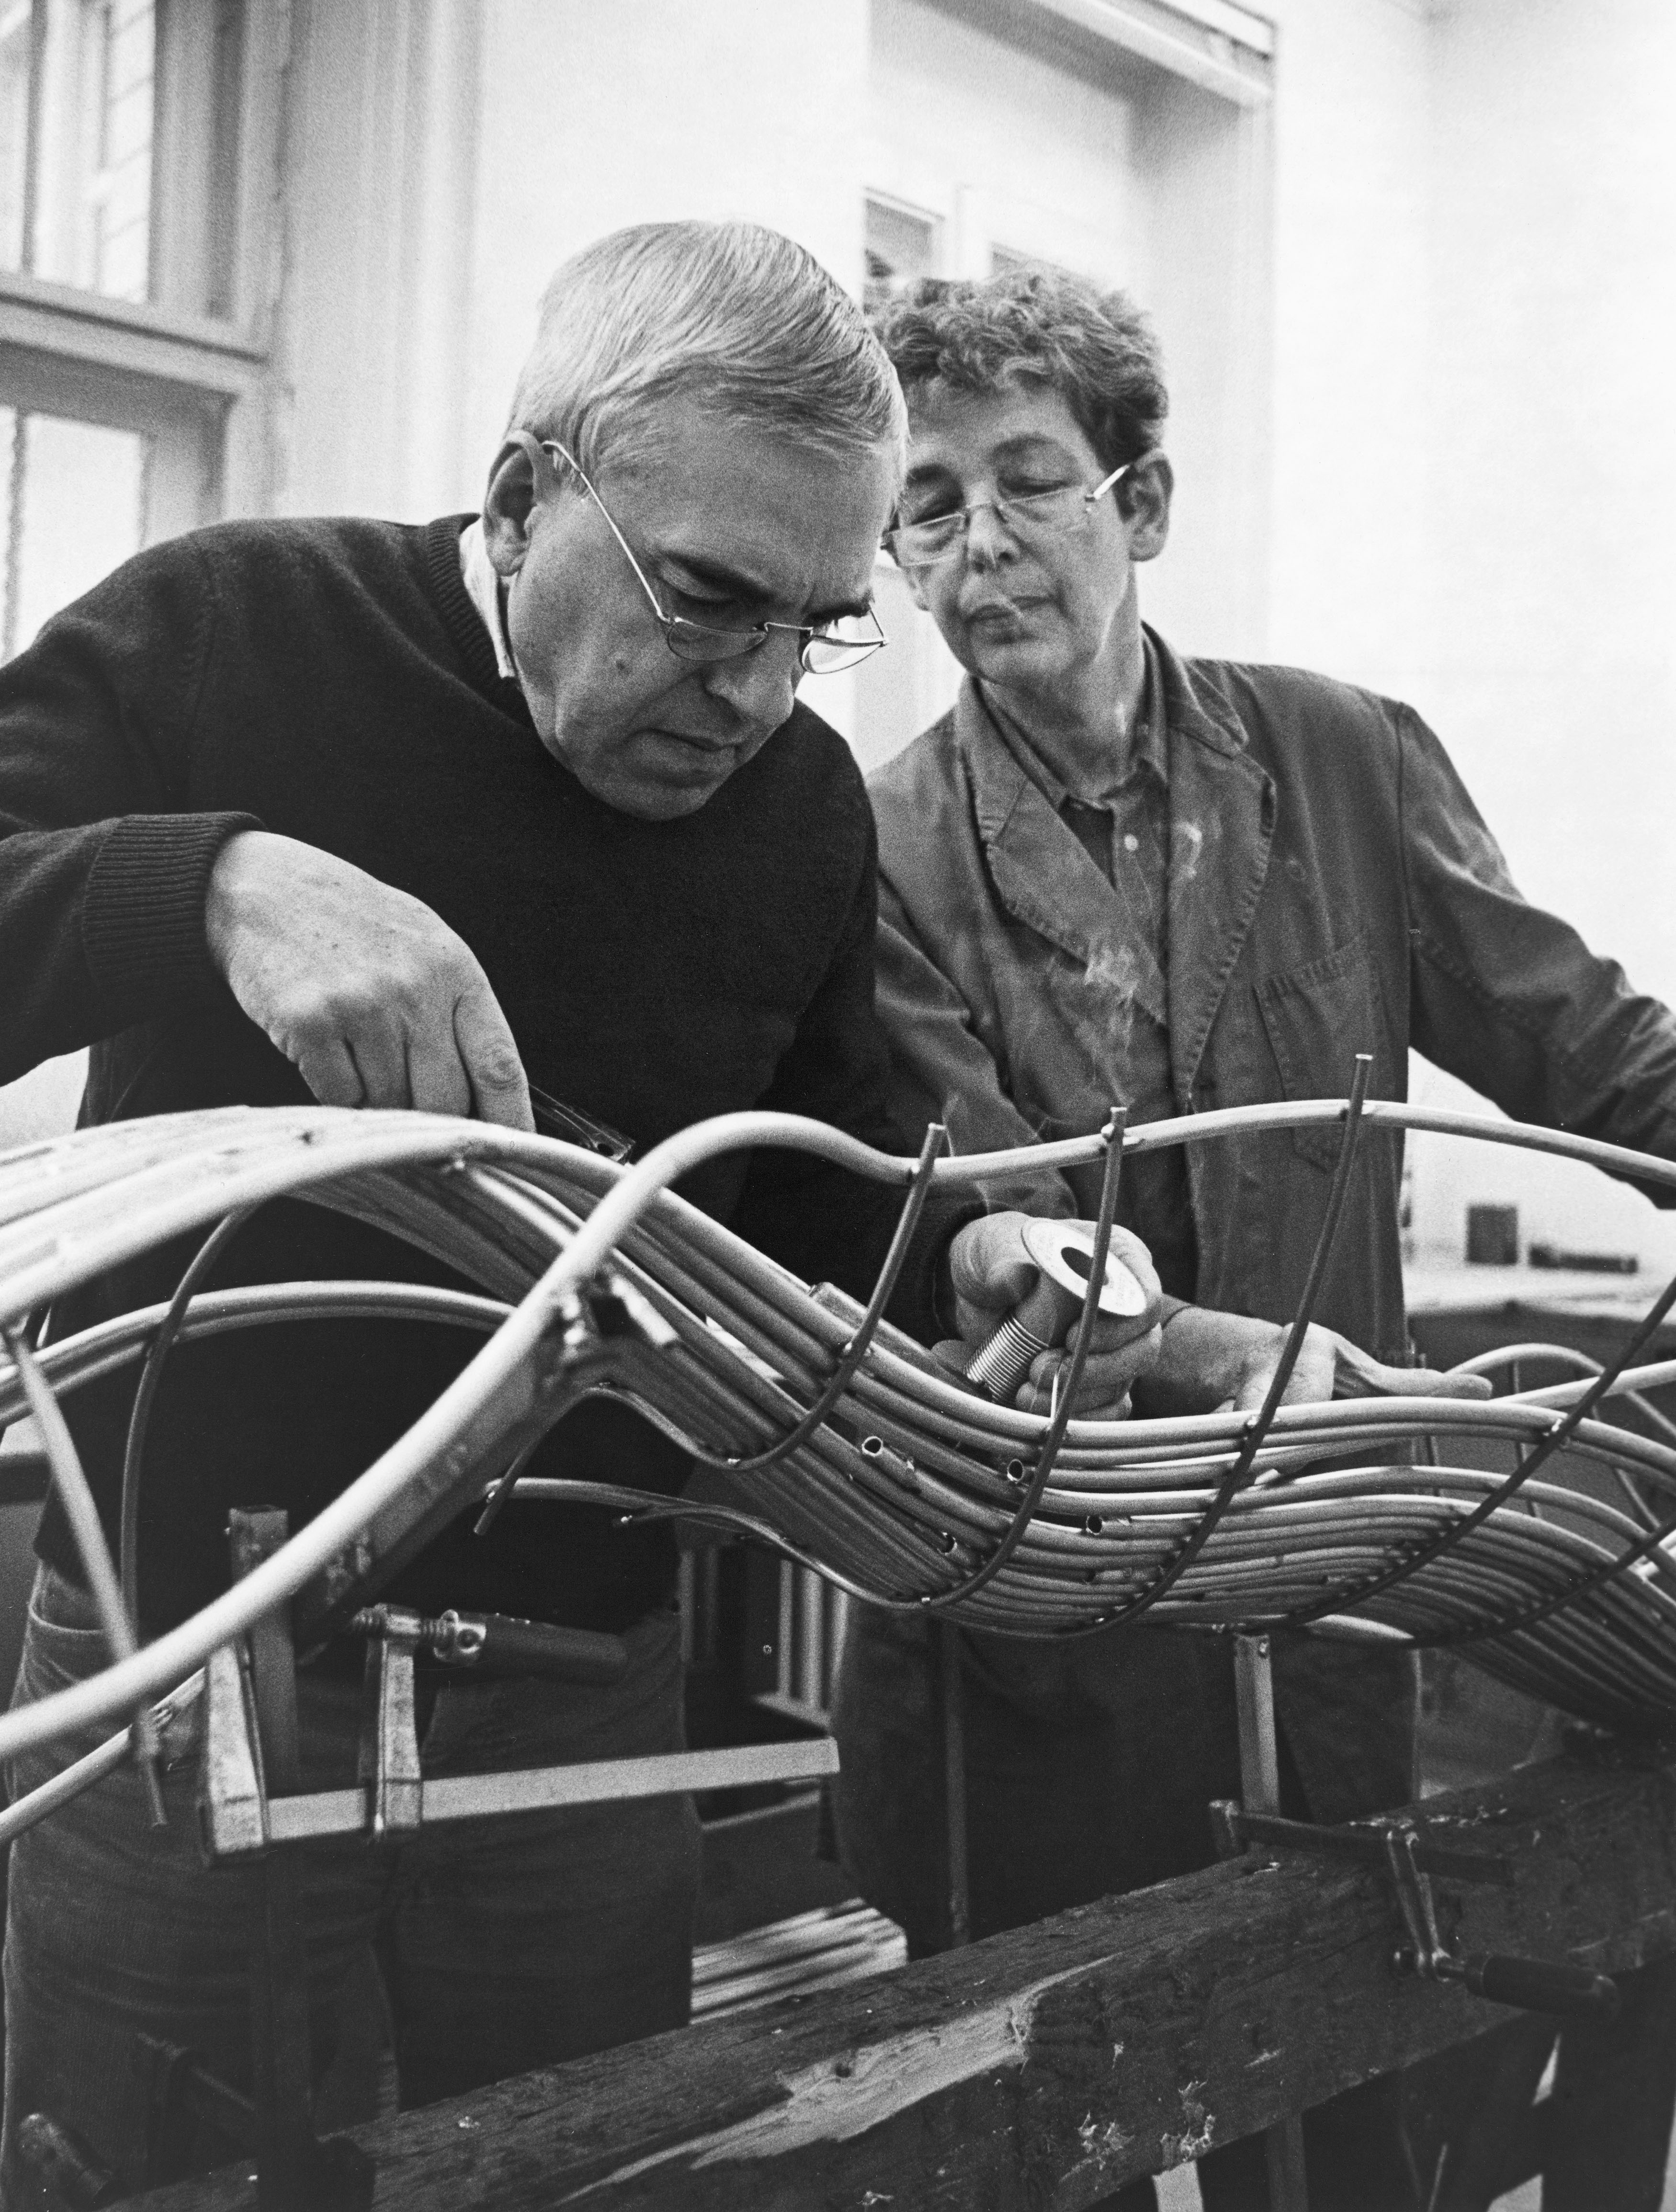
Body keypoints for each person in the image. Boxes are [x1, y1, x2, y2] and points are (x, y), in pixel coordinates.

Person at [0, 222, 1186, 2200]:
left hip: (574, 1698)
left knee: (578, 2168)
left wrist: (970, 1245)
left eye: (810, 626)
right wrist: (210, 883)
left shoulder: (797, 810)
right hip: (177, 1649)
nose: (743, 694)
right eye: (703, 600)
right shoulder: (234, 628)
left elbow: (811, 1180)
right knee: (135, 2160)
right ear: (526, 490)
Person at [830, 267, 1676, 2212]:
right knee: (1063, 2140)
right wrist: (1243, 1364)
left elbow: (1587, 1049)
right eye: (927, 505)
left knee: (1351, 2116)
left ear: (1140, 503)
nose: (976, 544)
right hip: (1041, 1637)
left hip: (1328, 1616)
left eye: (1022, 479)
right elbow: (1008, 1236)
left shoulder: (1340, 764)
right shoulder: (866, 847)